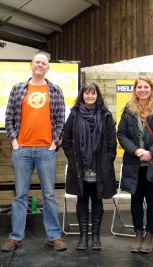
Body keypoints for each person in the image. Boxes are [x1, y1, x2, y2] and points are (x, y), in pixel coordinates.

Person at [1, 53, 67, 252]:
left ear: (48, 68)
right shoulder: (18, 89)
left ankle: (54, 236)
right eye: (37, 62)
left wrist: (54, 142)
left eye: (44, 63)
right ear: (31, 65)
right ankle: (15, 236)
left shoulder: (55, 90)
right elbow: (9, 117)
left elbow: (60, 119)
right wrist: (14, 141)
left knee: (49, 195)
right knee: (20, 195)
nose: (40, 65)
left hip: (46, 150)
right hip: (21, 150)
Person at [117, 76, 153, 253]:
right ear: (135, 90)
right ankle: (138, 234)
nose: (142, 90)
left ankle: (149, 235)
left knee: (152, 199)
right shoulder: (128, 109)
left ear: (151, 89)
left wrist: (151, 152)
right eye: (139, 87)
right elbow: (122, 134)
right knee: (136, 200)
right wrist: (136, 151)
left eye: (145, 87)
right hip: (134, 163)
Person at [61, 82, 117, 250]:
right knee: (82, 199)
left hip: (99, 165)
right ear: (82, 95)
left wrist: (108, 160)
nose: (90, 96)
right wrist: (73, 158)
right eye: (87, 93)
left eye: (93, 93)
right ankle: (83, 236)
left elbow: (112, 141)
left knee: (97, 200)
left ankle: (96, 237)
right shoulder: (74, 113)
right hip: (80, 166)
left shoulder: (106, 114)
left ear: (97, 95)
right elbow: (67, 138)